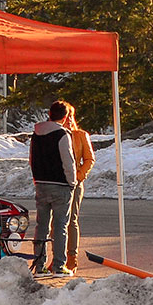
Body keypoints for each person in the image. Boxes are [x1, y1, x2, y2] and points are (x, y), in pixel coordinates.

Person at [29, 101, 78, 277]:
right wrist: (72, 182)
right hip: (60, 185)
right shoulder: (62, 134)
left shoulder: (36, 134)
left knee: (41, 225)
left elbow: (32, 159)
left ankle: (39, 264)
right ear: (64, 117)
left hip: (41, 183)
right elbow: (68, 161)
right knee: (60, 226)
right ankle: (58, 265)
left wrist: (37, 178)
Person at [60, 110, 95, 273]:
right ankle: (58, 256)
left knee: (71, 219)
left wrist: (80, 176)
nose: (68, 121)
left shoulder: (80, 135)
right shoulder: (56, 135)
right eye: (65, 118)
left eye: (71, 117)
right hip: (58, 182)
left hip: (75, 183)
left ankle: (71, 257)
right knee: (57, 222)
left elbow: (89, 158)